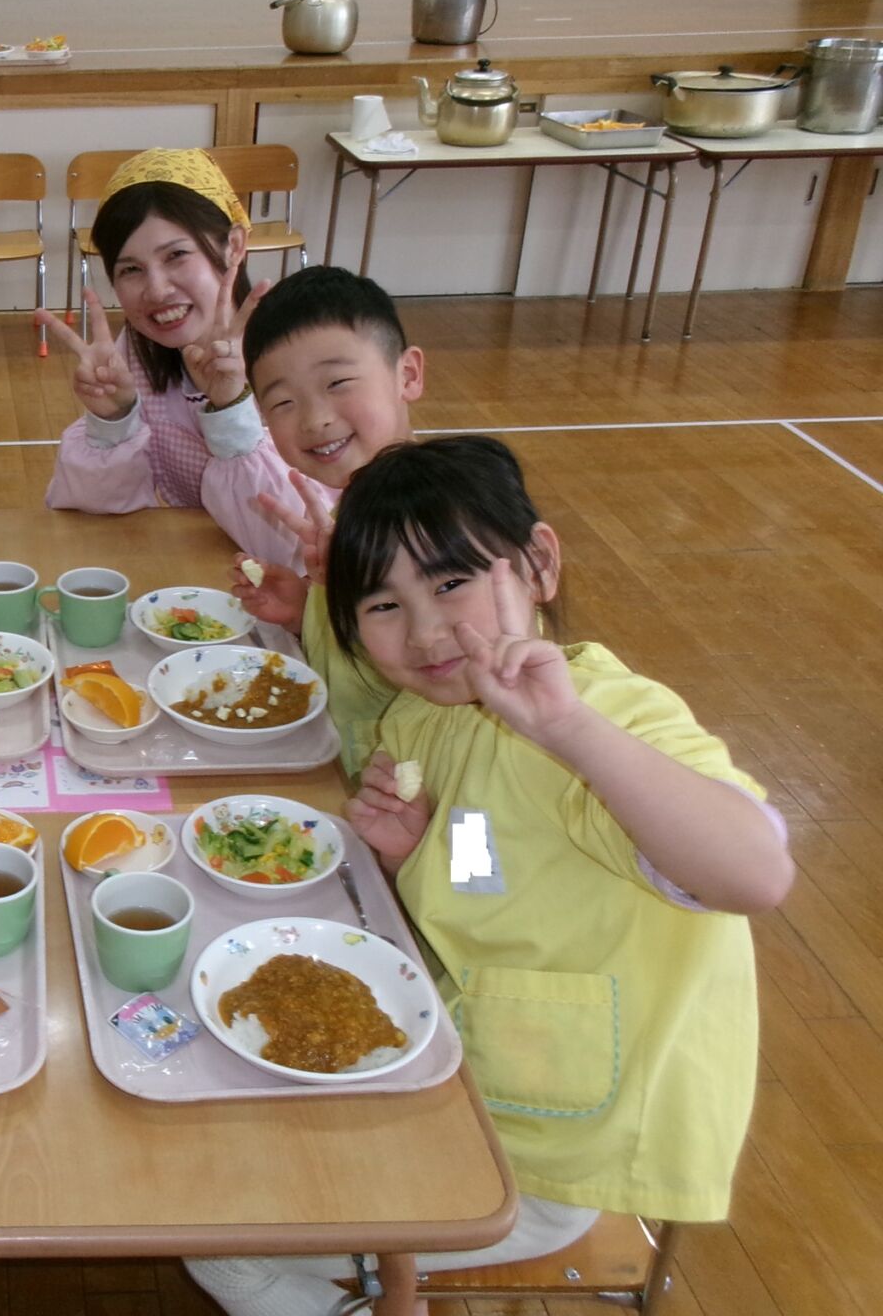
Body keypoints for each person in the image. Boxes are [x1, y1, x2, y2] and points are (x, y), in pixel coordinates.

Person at [188, 437, 793, 1316]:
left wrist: (570, 731)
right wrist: (419, 851)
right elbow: (489, 872)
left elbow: (755, 872)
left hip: (556, 1152)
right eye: (384, 604)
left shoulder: (608, 716)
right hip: (467, 1083)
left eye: (450, 583)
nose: (428, 630)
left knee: (228, 1248)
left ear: (538, 564)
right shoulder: (430, 717)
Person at [39, 148, 298, 566]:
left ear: (234, 245)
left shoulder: (295, 354)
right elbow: (90, 515)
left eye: (176, 255)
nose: (156, 290)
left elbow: (296, 545)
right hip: (202, 572)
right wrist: (112, 421)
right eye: (130, 270)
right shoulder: (139, 353)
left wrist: (231, 408)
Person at [224, 265, 426, 777]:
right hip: (341, 774)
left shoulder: (450, 523)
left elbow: (456, 677)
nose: (315, 418)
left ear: (407, 374)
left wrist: (359, 597)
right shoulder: (348, 510)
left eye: (337, 382)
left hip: (429, 804)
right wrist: (305, 612)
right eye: (284, 402)